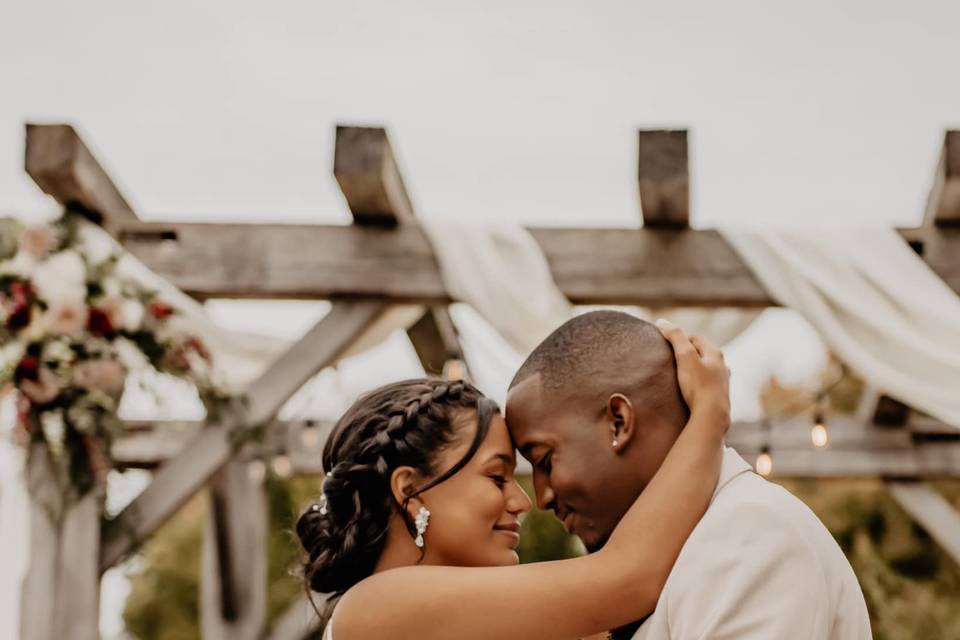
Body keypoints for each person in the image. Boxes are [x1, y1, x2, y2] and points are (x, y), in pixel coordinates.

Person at [296, 323, 730, 640]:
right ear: (409, 491)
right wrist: (709, 414)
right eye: (497, 477)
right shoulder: (375, 608)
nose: (524, 502)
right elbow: (630, 577)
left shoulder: (503, 620)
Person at [506, 311, 872, 639]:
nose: (542, 498)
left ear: (619, 422)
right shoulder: (693, 548)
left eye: (545, 461)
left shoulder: (749, 532)